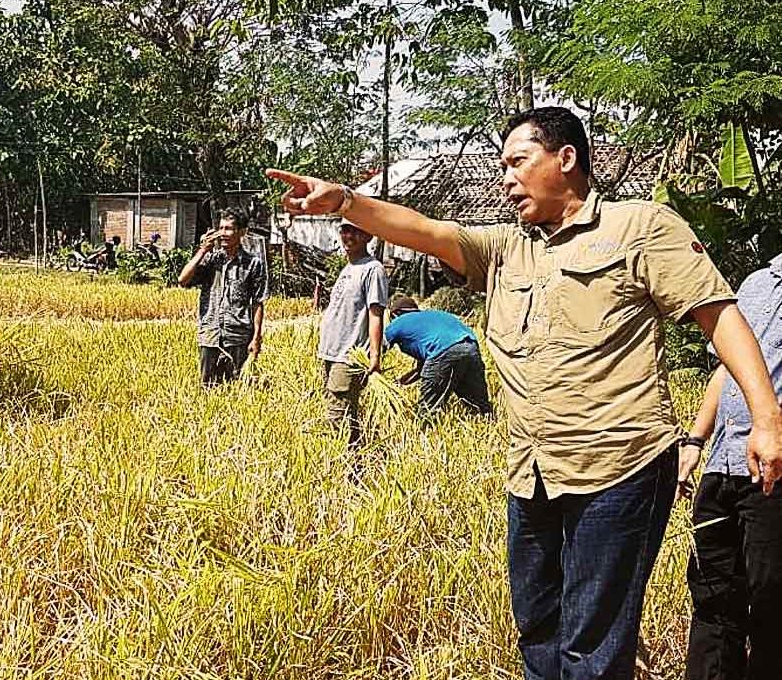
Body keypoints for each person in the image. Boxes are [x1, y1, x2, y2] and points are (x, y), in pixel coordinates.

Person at [266, 106, 782, 680]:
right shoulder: (508, 247)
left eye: (518, 162)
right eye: (503, 166)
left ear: (566, 159)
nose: (506, 178)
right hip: (533, 471)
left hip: (619, 467)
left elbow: (720, 316)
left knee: (592, 645)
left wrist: (766, 419)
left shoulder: (640, 228)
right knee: (537, 628)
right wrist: (345, 201)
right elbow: (428, 231)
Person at [678, 252, 782, 680]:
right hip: (723, 464)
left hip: (774, 471)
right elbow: (727, 369)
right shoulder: (758, 282)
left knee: (772, 601)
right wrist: (695, 441)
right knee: (712, 597)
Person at [318, 222, 388, 449]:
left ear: (369, 235)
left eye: (355, 231)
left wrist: (375, 357)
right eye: (345, 230)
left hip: (349, 356)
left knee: (336, 420)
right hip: (332, 353)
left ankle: (338, 464)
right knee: (348, 416)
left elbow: (376, 314)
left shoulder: (373, 269)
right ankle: (358, 459)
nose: (348, 236)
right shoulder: (348, 268)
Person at [178, 208, 266, 387]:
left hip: (238, 337)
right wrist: (203, 250)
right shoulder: (211, 260)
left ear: (242, 232)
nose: (223, 233)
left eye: (228, 229)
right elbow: (182, 279)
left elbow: (258, 303)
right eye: (221, 228)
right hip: (210, 336)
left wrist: (256, 338)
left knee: (237, 388)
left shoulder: (253, 264)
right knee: (208, 388)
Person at [385, 296, 491, 414]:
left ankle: (426, 423)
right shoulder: (432, 319)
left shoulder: (399, 322)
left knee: (428, 409)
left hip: (444, 350)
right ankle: (487, 418)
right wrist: (400, 382)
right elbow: (423, 369)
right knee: (478, 407)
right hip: (471, 347)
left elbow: (378, 349)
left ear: (396, 313)